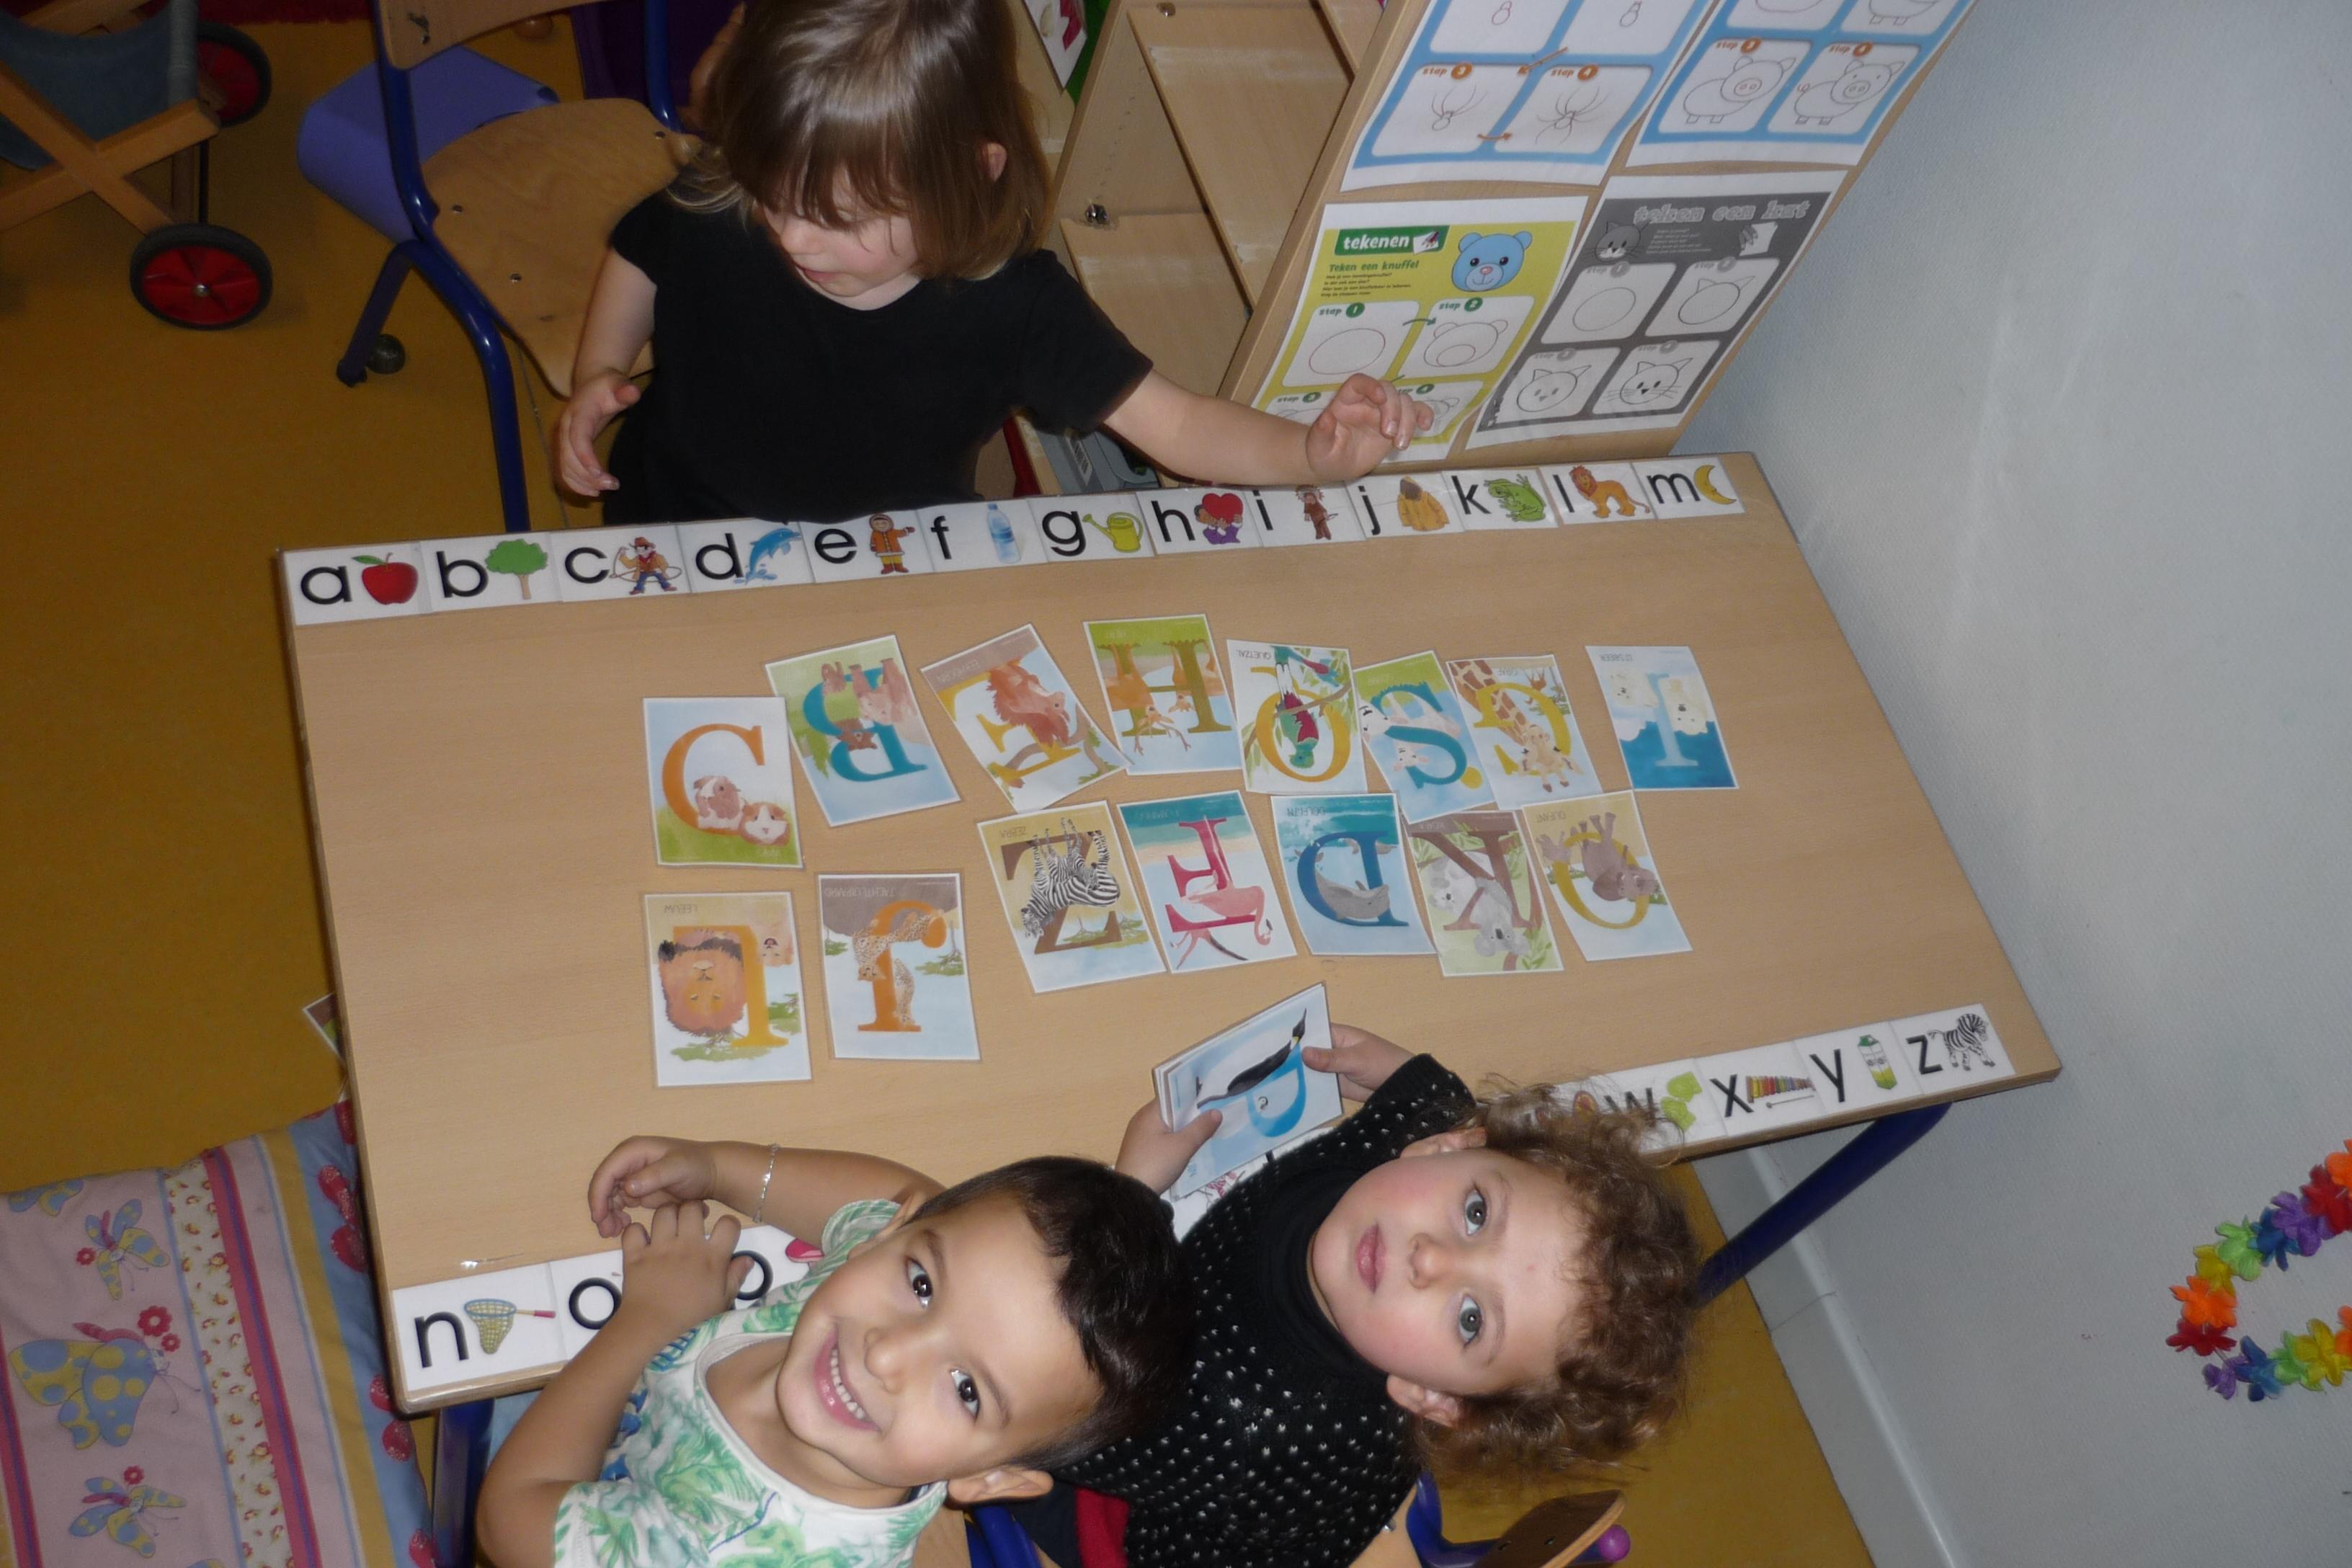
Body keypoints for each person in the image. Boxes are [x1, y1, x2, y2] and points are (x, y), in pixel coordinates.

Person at [552, 0, 1430, 525]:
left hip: (885, 563)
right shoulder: (728, 196)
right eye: (774, 195)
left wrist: (1312, 454)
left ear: (972, 173)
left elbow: (1184, 427)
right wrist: (599, 371)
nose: (791, 237)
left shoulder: (1019, 305)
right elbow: (641, 254)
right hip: (675, 526)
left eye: (842, 218)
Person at [1046, 1028, 1698, 1568]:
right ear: (1447, 1148)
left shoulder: (1238, 1432)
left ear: (1435, 1398)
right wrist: (1405, 1074)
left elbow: (1059, 1408)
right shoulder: (1397, 1160)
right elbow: (1436, 1102)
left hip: (1140, 1494)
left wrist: (1128, 1201)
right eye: (1476, 1213)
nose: (1430, 1259)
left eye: (1471, 1319)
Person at [475, 1139, 1193, 1568]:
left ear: (991, 1476)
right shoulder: (881, 1277)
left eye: (967, 1389)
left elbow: (508, 1518)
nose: (888, 1354)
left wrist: (649, 1321)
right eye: (922, 1283)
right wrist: (720, 1167)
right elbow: (907, 1194)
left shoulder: (729, 1549)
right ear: (895, 1236)